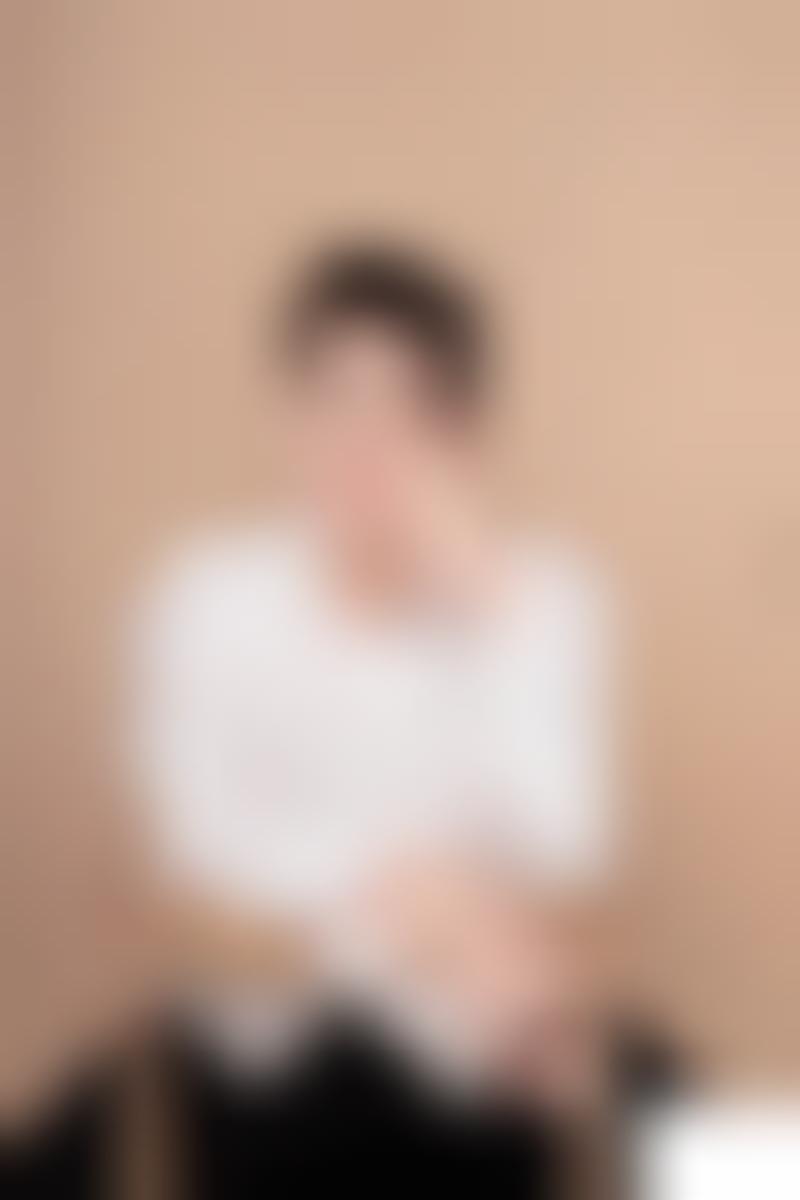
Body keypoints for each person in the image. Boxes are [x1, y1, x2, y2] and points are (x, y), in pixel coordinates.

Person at [128, 243, 618, 1198]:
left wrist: (494, 618)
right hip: (269, 1042)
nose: (363, 445)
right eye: (335, 402)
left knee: (612, 1089)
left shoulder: (543, 599)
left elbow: (567, 846)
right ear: (287, 416)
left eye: (405, 414)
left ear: (461, 437)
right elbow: (200, 841)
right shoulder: (205, 598)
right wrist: (415, 906)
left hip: (474, 1054)